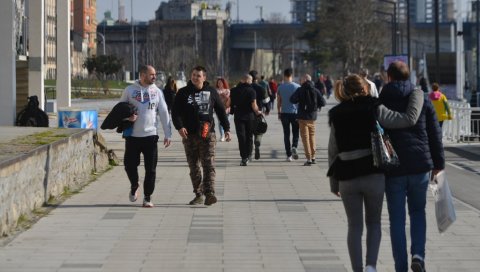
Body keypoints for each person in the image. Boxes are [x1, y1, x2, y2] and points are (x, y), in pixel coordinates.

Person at [328, 74, 425, 272]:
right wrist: (417, 94)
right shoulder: (374, 107)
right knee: (373, 223)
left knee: (354, 226)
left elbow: (333, 151)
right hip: (373, 174)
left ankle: (358, 269)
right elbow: (406, 119)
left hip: (346, 175)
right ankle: (371, 266)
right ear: (365, 88)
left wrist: (334, 183)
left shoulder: (336, 114)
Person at [379, 61, 445, 272]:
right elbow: (435, 134)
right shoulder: (421, 98)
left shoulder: (381, 100)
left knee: (396, 219)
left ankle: (401, 267)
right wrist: (438, 164)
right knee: (418, 212)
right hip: (419, 167)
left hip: (393, 167)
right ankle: (418, 254)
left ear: (388, 77)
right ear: (409, 77)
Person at [171, 65, 231, 206]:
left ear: (204, 78)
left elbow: (221, 111)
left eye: (198, 75)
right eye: (193, 75)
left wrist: (227, 128)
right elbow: (175, 112)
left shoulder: (211, 92)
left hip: (207, 134)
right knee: (194, 167)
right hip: (189, 136)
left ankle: (209, 193)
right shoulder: (183, 93)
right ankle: (198, 194)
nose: (195, 77)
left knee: (208, 164)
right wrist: (179, 127)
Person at [120, 65, 172, 208]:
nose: (155, 77)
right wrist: (127, 118)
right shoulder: (129, 90)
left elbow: (163, 112)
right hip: (133, 137)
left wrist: (168, 134)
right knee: (129, 166)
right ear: (142, 75)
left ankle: (147, 197)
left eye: (155, 74)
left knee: (151, 169)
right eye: (152, 74)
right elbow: (120, 109)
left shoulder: (157, 92)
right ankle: (134, 184)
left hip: (151, 136)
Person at [290, 74, 326, 166]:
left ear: (305, 80)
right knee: (312, 136)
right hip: (312, 118)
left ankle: (308, 158)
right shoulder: (315, 90)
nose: (300, 81)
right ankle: (313, 157)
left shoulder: (300, 90)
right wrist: (315, 106)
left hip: (302, 117)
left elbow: (292, 100)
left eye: (301, 79)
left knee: (305, 138)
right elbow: (323, 102)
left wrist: (300, 100)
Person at [230, 74, 263, 166]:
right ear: (249, 81)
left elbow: (229, 103)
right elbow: (254, 105)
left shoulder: (233, 90)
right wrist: (258, 112)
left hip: (238, 117)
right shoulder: (252, 91)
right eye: (251, 80)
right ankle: (248, 155)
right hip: (249, 117)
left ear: (242, 80)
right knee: (249, 136)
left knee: (241, 137)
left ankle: (243, 157)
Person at [277, 68, 300, 161]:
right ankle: (294, 146)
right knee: (295, 132)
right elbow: (300, 102)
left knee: (286, 134)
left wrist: (279, 111)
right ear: (292, 75)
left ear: (284, 75)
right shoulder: (298, 87)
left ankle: (288, 155)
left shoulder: (280, 87)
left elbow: (279, 101)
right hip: (295, 113)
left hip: (284, 113)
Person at [249, 70, 270, 160]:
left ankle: (249, 154)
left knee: (249, 134)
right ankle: (257, 142)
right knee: (259, 130)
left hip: (248, 113)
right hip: (259, 112)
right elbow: (266, 101)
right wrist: (268, 109)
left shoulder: (247, 88)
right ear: (257, 78)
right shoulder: (261, 88)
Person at [216, 77, 231, 141]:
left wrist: (224, 95)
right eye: (218, 83)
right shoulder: (215, 90)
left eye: (221, 83)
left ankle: (227, 135)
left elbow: (229, 99)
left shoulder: (227, 90)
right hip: (219, 109)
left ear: (223, 83)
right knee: (220, 122)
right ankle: (222, 136)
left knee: (227, 122)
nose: (219, 84)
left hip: (227, 109)